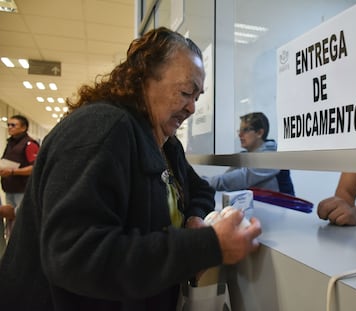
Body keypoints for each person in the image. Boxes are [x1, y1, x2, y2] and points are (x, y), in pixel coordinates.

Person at [0, 27, 262, 310]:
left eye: (197, 97)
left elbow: (197, 188)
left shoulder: (164, 142)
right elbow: (76, 255)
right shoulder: (100, 130)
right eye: (186, 92)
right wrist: (204, 247)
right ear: (144, 78)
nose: (192, 108)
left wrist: (193, 220)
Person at [204, 112, 295, 195]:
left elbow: (240, 178)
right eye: (239, 131)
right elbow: (227, 178)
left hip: (282, 210)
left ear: (259, 133)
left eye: (245, 130)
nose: (240, 135)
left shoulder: (271, 156)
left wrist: (203, 183)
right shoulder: (245, 156)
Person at [0, 115, 39, 241]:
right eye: (8, 125)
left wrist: (12, 172)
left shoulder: (30, 144)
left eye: (13, 125)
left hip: (22, 190)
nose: (10, 127)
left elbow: (34, 168)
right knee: (11, 222)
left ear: (23, 128)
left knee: (21, 221)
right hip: (9, 189)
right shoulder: (10, 143)